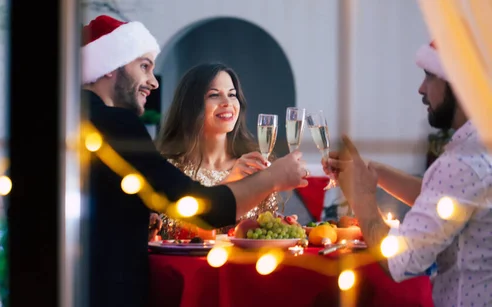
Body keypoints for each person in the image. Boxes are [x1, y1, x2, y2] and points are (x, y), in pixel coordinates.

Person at [81, 15, 309, 306]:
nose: (153, 81)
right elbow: (200, 209)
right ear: (110, 66)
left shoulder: (72, 116)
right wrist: (272, 178)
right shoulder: (115, 124)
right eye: (144, 66)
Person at [324, 41, 492, 306]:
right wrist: (371, 171)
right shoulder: (481, 144)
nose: (421, 88)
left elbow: (399, 260)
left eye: (429, 75)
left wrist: (361, 197)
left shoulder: (463, 161)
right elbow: (443, 199)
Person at [155, 63, 281, 237]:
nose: (227, 103)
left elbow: (268, 233)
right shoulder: (168, 169)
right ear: (191, 106)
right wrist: (231, 182)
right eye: (214, 95)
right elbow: (174, 234)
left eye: (232, 94)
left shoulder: (254, 167)